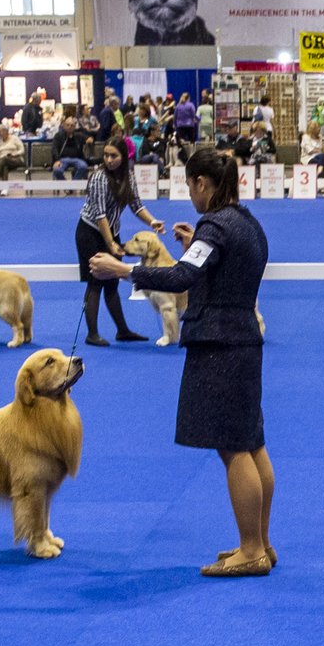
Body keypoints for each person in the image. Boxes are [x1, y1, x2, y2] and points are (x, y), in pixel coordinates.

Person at [89, 149, 274, 576]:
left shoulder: (214, 225)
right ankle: (262, 544)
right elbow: (229, 267)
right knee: (253, 442)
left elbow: (179, 278)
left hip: (218, 343)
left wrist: (123, 269)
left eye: (190, 184)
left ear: (202, 184)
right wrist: (196, 246)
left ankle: (249, 551)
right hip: (245, 337)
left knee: (233, 448)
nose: (189, 192)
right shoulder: (247, 223)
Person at [76, 138, 165, 347]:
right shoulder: (99, 177)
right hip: (90, 232)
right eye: (106, 155)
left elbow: (137, 206)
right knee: (95, 282)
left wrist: (153, 222)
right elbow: (100, 215)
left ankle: (122, 330)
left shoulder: (129, 177)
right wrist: (111, 244)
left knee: (113, 282)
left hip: (110, 231)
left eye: (113, 156)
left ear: (124, 157)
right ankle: (92, 333)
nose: (108, 160)